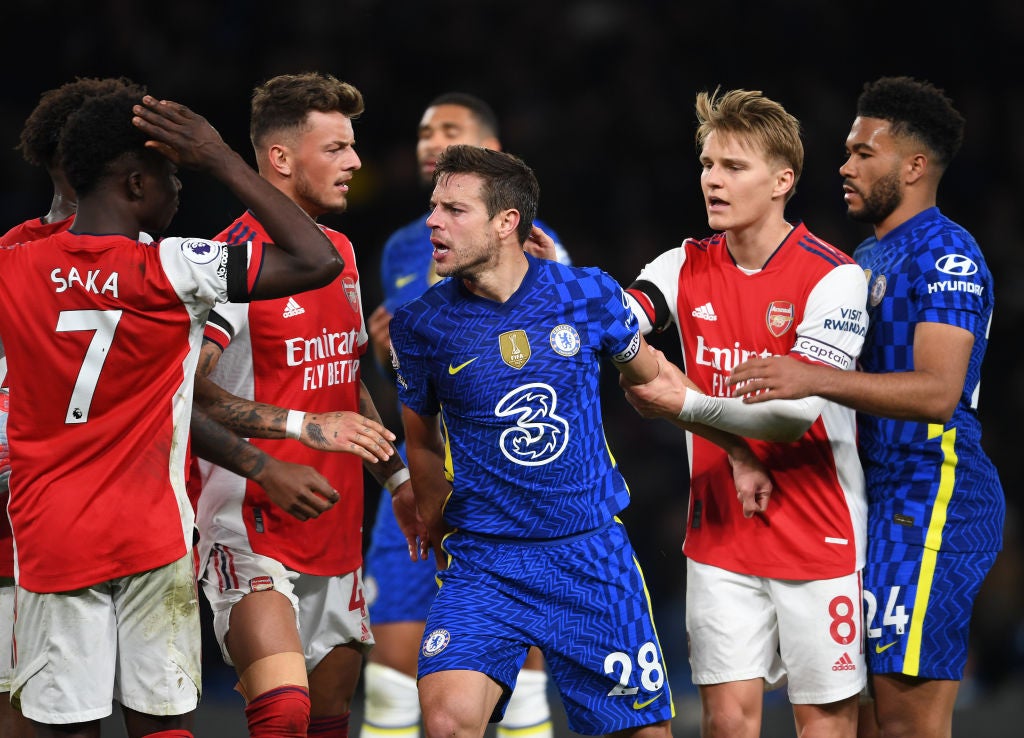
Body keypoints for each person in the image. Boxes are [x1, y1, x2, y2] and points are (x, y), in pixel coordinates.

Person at [0, 84, 349, 737]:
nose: (181, 187)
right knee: (163, 726)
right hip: (150, 535)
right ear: (135, 183)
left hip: (51, 541)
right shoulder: (173, 267)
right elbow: (317, 258)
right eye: (171, 173)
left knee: (70, 726)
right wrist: (221, 158)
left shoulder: (13, 268)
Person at [727, 77, 1005, 738]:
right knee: (873, 722)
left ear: (913, 166)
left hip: (931, 495)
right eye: (848, 151)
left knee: (907, 726)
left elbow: (937, 392)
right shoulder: (870, 255)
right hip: (874, 500)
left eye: (863, 153)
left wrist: (812, 376)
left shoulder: (948, 254)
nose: (845, 166)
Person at [388, 143, 675, 738]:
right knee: (446, 720)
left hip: (588, 555)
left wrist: (739, 440)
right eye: (433, 206)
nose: (433, 222)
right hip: (486, 562)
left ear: (506, 222)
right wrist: (437, 526)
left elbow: (655, 381)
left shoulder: (587, 294)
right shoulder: (421, 325)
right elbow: (419, 440)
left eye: (454, 210)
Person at [620, 89, 869, 738]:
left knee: (825, 726)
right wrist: (557, 286)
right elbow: (616, 331)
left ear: (782, 180)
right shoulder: (682, 265)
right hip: (721, 534)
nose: (712, 179)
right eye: (707, 164)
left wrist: (683, 402)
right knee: (728, 723)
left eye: (734, 166)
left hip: (820, 532)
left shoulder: (834, 278)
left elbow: (795, 416)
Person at [191, 72, 419, 738]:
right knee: (283, 714)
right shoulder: (232, 259)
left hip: (336, 521)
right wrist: (300, 428)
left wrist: (398, 479)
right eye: (337, 148)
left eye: (353, 147)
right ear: (282, 159)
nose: (353, 163)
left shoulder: (339, 253)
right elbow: (186, 389)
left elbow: (345, 379)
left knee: (326, 720)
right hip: (251, 519)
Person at [362, 92, 564, 738]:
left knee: (519, 676)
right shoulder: (400, 248)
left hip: (506, 483)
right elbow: (400, 377)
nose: (429, 141)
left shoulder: (536, 244)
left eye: (448, 130)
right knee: (391, 676)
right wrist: (387, 352)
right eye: (423, 131)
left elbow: (555, 354)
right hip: (420, 474)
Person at [0, 75, 140, 738]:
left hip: (137, 524)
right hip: (23, 525)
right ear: (62, 159)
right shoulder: (11, 256)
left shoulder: (162, 260)